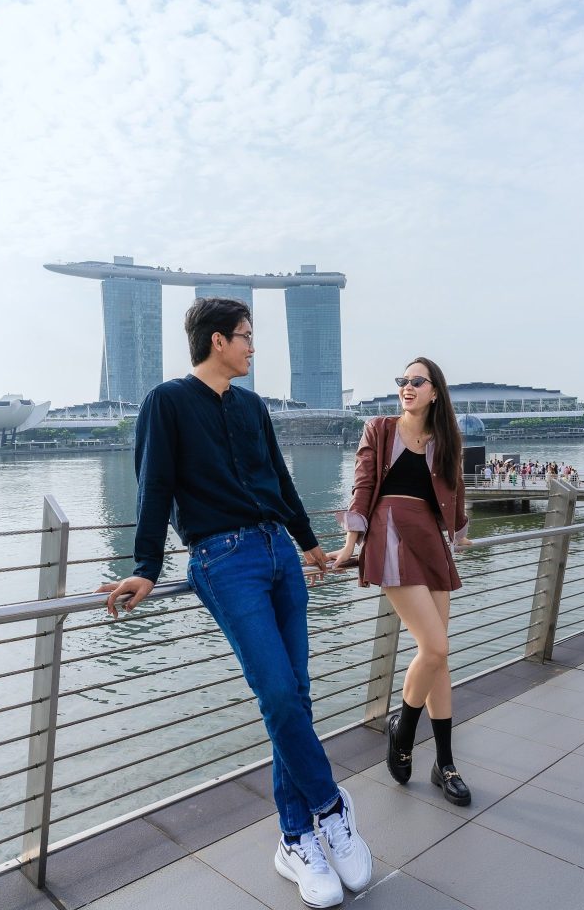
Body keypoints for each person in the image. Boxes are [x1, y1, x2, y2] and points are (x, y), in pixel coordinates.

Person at [99, 298, 372, 908]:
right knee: (276, 692)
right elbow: (154, 488)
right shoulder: (165, 402)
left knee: (295, 695)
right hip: (223, 561)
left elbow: (278, 477)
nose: (253, 348)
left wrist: (310, 545)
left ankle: (295, 838)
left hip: (280, 554)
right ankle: (330, 805)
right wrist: (145, 569)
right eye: (247, 337)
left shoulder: (253, 406)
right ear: (218, 341)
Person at [332, 357, 473, 807]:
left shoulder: (447, 438)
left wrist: (461, 532)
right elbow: (363, 483)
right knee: (435, 648)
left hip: (430, 538)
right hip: (390, 534)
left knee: (438, 659)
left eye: (417, 381)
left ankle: (444, 763)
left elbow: (456, 488)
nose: (407, 387)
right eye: (403, 381)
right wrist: (350, 545)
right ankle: (403, 730)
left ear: (435, 391)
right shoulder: (380, 427)